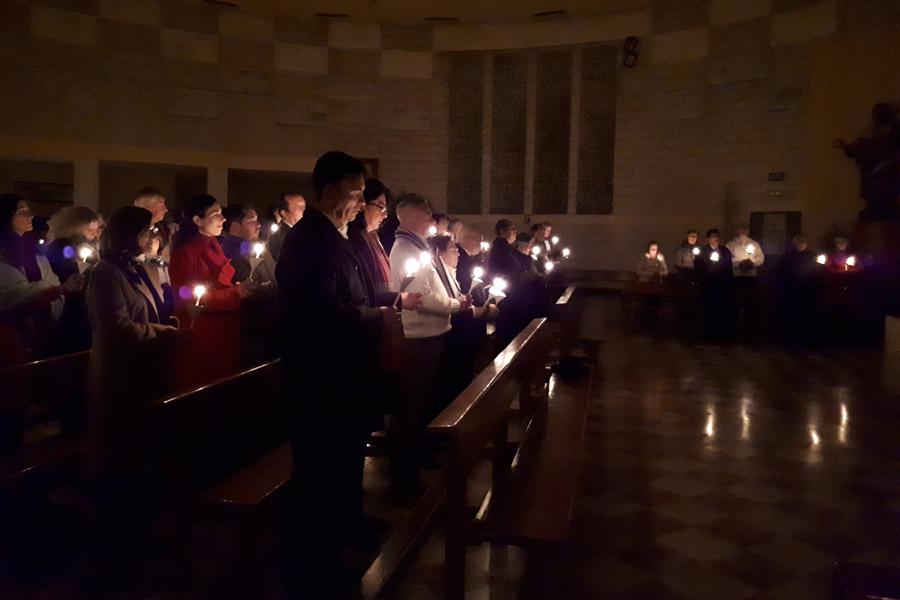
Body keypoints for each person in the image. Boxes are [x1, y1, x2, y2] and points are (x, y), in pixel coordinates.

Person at [276, 152, 390, 590]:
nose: (362, 201)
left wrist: (381, 306)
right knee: (319, 468)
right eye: (355, 192)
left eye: (364, 193)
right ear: (324, 192)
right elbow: (321, 313)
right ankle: (313, 563)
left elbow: (353, 294)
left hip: (345, 374)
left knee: (344, 457)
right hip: (319, 378)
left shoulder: (339, 235)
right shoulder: (309, 240)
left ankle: (347, 524)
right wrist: (373, 317)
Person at [84, 206, 182, 547]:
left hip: (148, 366)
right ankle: (116, 525)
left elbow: (155, 309)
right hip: (120, 370)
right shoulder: (106, 273)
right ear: (127, 234)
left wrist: (177, 320)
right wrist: (162, 332)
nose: (153, 238)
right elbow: (118, 327)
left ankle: (143, 510)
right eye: (148, 231)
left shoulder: (144, 269)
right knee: (119, 444)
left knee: (143, 440)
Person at [389, 193, 471, 493]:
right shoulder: (404, 249)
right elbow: (421, 298)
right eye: (426, 214)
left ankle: (418, 458)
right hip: (417, 339)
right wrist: (455, 306)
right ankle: (405, 477)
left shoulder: (417, 246)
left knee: (422, 404)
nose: (432, 219)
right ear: (410, 218)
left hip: (430, 336)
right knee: (410, 408)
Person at [169, 194, 250, 390]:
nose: (223, 219)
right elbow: (188, 298)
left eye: (222, 213)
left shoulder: (214, 245)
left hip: (224, 330)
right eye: (215, 214)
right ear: (197, 220)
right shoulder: (185, 253)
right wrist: (235, 293)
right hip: (203, 334)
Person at [0, 194, 82, 363]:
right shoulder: (3, 254)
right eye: (22, 212)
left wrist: (56, 294)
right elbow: (12, 295)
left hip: (43, 333)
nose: (30, 216)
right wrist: (58, 290)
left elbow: (51, 281)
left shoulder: (33, 250)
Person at [430, 234, 495, 411]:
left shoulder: (449, 272)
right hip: (453, 338)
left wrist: (465, 300)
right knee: (451, 388)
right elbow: (444, 304)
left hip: (459, 336)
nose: (458, 254)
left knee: (462, 383)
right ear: (438, 253)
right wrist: (477, 310)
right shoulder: (436, 273)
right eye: (453, 250)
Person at [45, 205, 103, 353]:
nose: (95, 235)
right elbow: (68, 273)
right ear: (76, 226)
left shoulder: (86, 246)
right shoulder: (61, 247)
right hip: (71, 306)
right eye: (91, 230)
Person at [349, 178, 392, 293]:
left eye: (385, 208)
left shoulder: (373, 238)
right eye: (380, 206)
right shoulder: (354, 241)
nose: (385, 215)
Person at [694, 228, 734, 341]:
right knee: (708, 309)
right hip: (708, 285)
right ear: (708, 239)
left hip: (721, 285)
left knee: (721, 309)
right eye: (712, 237)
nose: (715, 239)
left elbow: (728, 267)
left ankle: (720, 334)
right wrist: (709, 267)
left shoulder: (725, 251)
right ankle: (707, 333)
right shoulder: (703, 251)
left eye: (716, 237)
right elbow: (698, 267)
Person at [778, 235, 816, 344]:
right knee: (791, 315)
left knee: (805, 315)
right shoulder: (788, 256)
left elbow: (816, 273)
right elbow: (782, 272)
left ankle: (804, 338)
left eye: (802, 242)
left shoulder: (811, 256)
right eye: (797, 242)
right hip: (791, 290)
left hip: (806, 290)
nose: (800, 244)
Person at [133, 187, 174, 260]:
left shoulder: (163, 230)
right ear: (146, 205)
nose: (166, 209)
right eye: (161, 204)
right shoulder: (131, 231)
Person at [267, 191, 306, 261]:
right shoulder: (279, 238)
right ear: (284, 213)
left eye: (304, 207)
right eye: (299, 208)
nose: (304, 211)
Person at [488, 219, 521, 283]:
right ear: (502, 231)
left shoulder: (502, 245)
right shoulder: (502, 246)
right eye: (512, 229)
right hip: (505, 283)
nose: (515, 231)